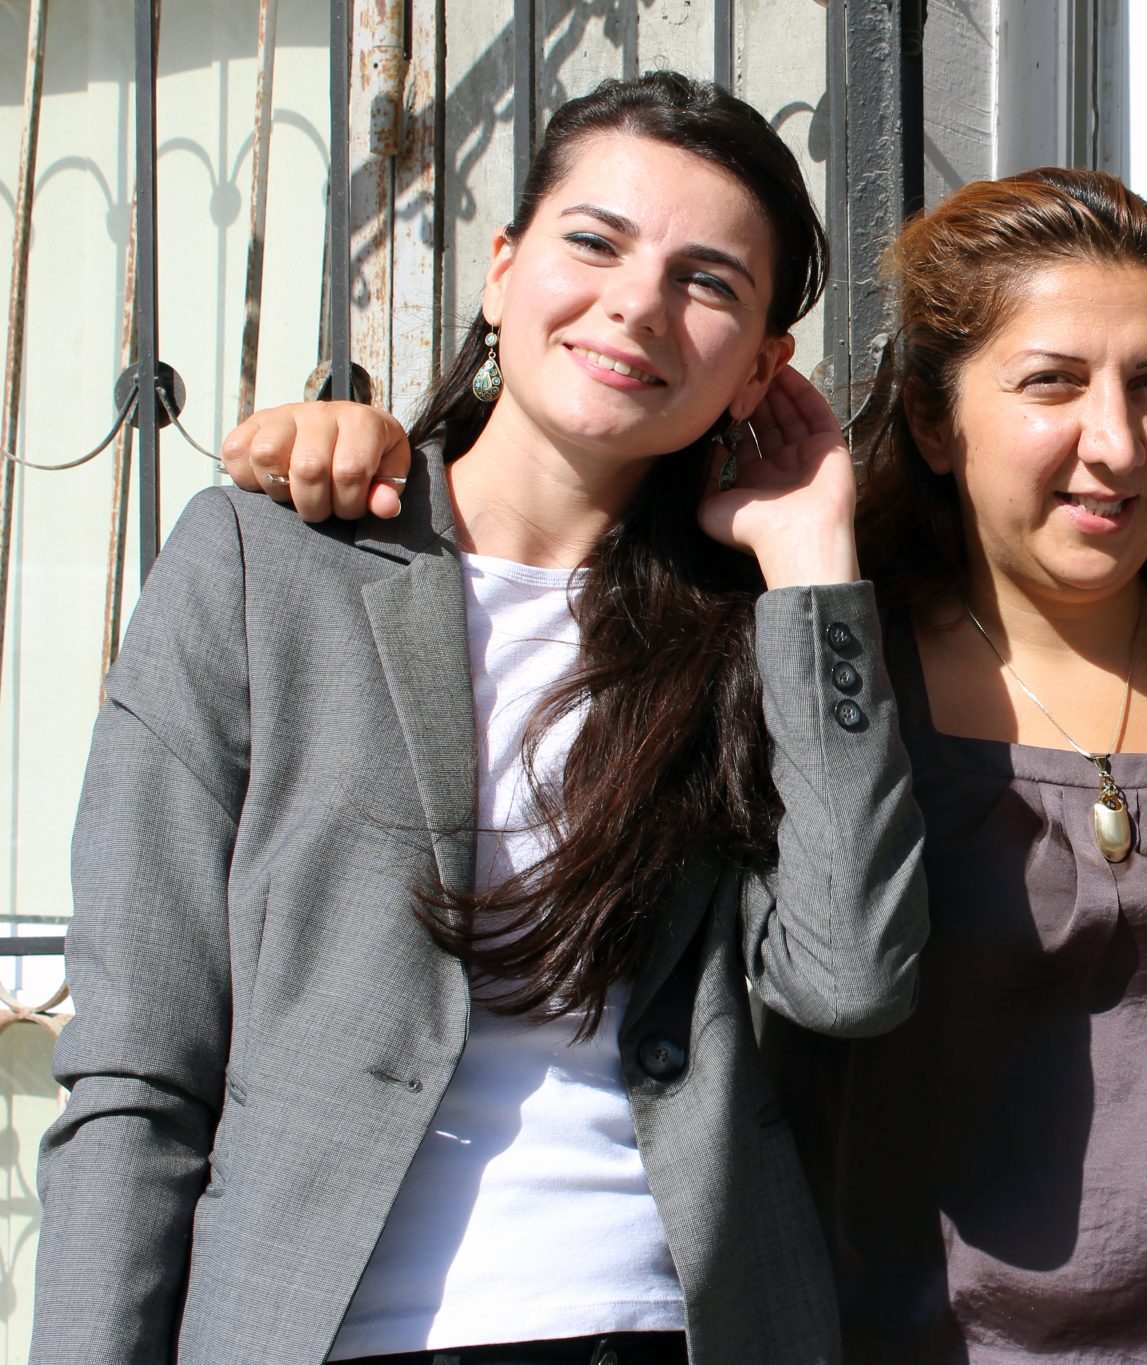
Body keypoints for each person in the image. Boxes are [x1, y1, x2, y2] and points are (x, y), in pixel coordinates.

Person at [215, 169, 1147, 1363]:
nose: (1119, 443)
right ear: (934, 417)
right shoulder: (809, 673)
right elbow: (554, 523)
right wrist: (369, 452)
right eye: (1051, 383)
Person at [36, 72, 926, 1365]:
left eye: (709, 281)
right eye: (595, 241)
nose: (636, 302)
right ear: (503, 269)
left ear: (760, 370)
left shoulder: (758, 631)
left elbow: (851, 979)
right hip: (329, 1325)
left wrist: (815, 566)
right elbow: (136, 1074)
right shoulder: (268, 564)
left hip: (668, 1318)